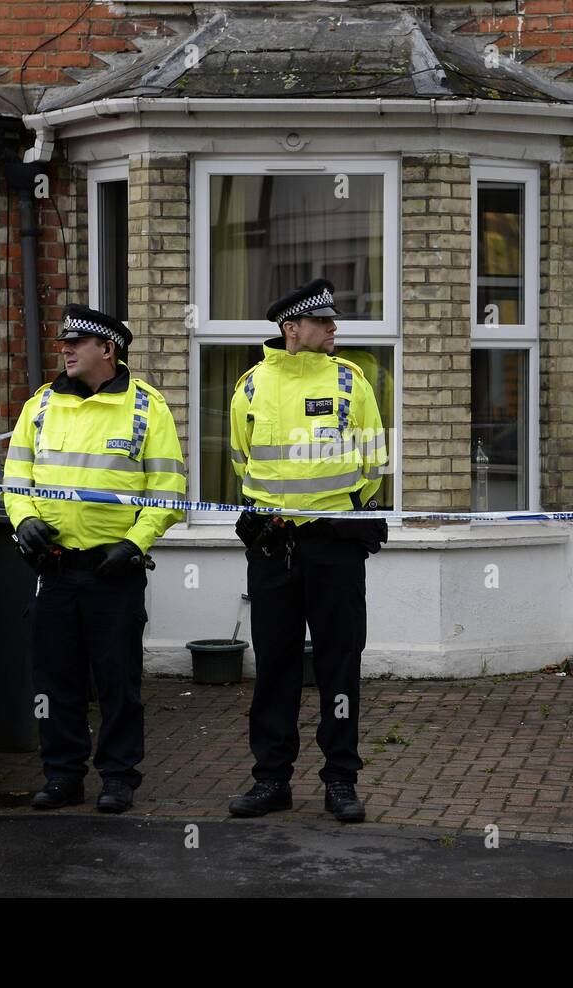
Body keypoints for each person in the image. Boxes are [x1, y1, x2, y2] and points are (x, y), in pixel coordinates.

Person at [2, 304, 185, 813]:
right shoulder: (39, 406)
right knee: (55, 681)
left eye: (76, 343)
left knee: (117, 683)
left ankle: (119, 778)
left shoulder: (148, 407)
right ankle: (62, 776)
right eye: (63, 342)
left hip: (114, 572)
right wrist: (24, 522)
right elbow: (16, 480)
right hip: (55, 569)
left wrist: (135, 544)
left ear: (108, 349)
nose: (64, 349)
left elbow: (168, 488)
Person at [226, 278, 388, 824]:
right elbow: (242, 465)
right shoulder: (249, 386)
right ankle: (271, 779)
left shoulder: (350, 381)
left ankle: (340, 780)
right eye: (324, 322)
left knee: (340, 666)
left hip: (333, 547)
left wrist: (334, 511)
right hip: (273, 547)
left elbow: (374, 462)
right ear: (291, 329)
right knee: (275, 667)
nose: (334, 329)